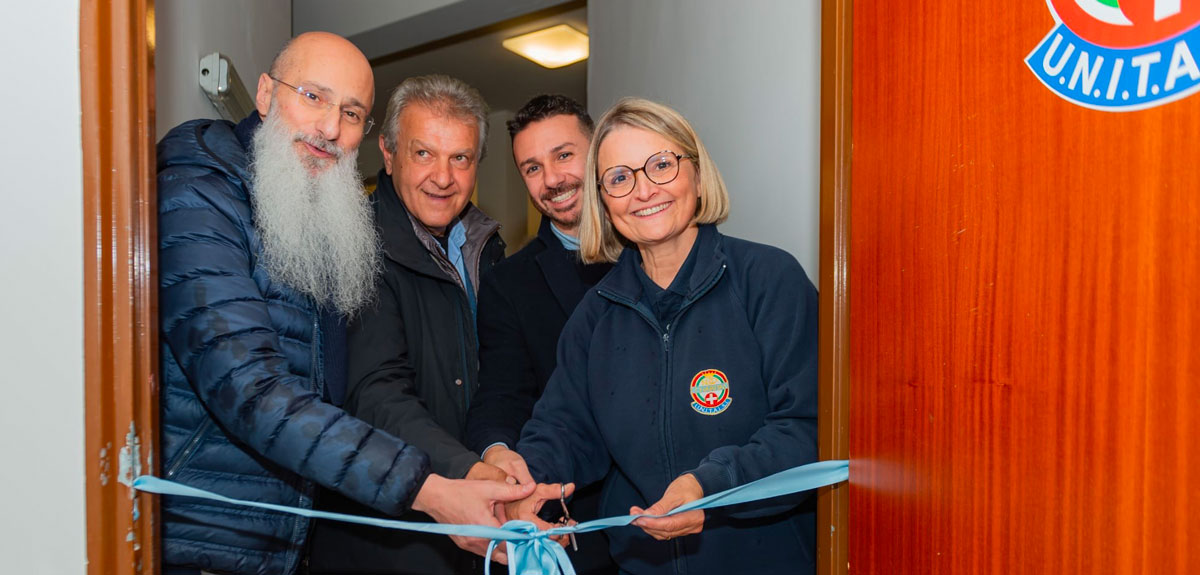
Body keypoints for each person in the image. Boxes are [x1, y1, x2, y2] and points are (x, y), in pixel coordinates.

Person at [156, 34, 534, 575]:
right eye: (313, 96)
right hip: (205, 537)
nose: (331, 128)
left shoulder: (319, 220)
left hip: (278, 538)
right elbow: (251, 387)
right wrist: (430, 487)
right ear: (264, 94)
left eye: (351, 113)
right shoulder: (201, 195)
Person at [505, 98, 820, 574]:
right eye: (619, 178)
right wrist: (527, 486)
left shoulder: (770, 279)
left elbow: (807, 428)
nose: (643, 190)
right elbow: (564, 429)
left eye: (660, 165)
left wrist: (709, 486)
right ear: (603, 201)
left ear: (697, 173)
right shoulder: (594, 316)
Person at [307, 74, 511, 574]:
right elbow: (374, 392)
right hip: (386, 539)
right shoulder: (355, 245)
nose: (443, 177)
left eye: (460, 158)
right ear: (389, 152)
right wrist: (469, 470)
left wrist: (500, 452)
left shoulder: (487, 249)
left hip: (477, 524)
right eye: (424, 154)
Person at [465, 94, 616, 574]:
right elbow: (501, 394)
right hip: (581, 525)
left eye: (564, 155)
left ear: (599, 152)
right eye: (532, 168)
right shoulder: (510, 283)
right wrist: (498, 454)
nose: (551, 179)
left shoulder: (656, 249)